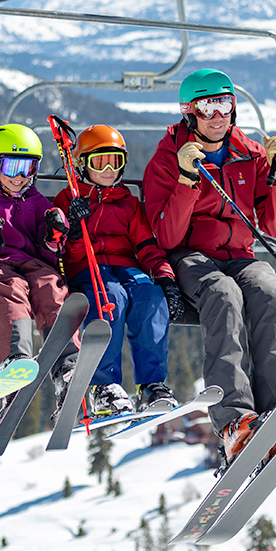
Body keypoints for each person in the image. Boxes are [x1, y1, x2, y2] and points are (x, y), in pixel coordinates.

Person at [142, 68, 276, 463]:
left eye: (224, 104)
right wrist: (187, 181)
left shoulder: (251, 155)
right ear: (189, 113)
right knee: (223, 295)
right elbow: (167, 237)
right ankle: (233, 419)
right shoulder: (167, 160)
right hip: (191, 255)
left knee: (268, 291)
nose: (217, 115)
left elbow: (275, 226)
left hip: (242, 255)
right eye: (208, 106)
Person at [51, 124, 182, 417]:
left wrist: (164, 276)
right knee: (109, 296)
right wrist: (72, 230)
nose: (109, 169)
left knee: (150, 296)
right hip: (86, 267)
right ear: (82, 164)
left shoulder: (129, 204)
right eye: (100, 161)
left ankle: (152, 384)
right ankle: (104, 385)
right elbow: (59, 254)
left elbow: (147, 245)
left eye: (116, 161)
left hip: (125, 267)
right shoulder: (68, 200)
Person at [0, 124, 77, 419]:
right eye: (13, 166)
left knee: (50, 283)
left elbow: (45, 257)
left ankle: (66, 364)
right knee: (11, 286)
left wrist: (52, 239)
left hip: (31, 266)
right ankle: (15, 360)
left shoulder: (36, 203)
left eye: (29, 167)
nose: (21, 176)